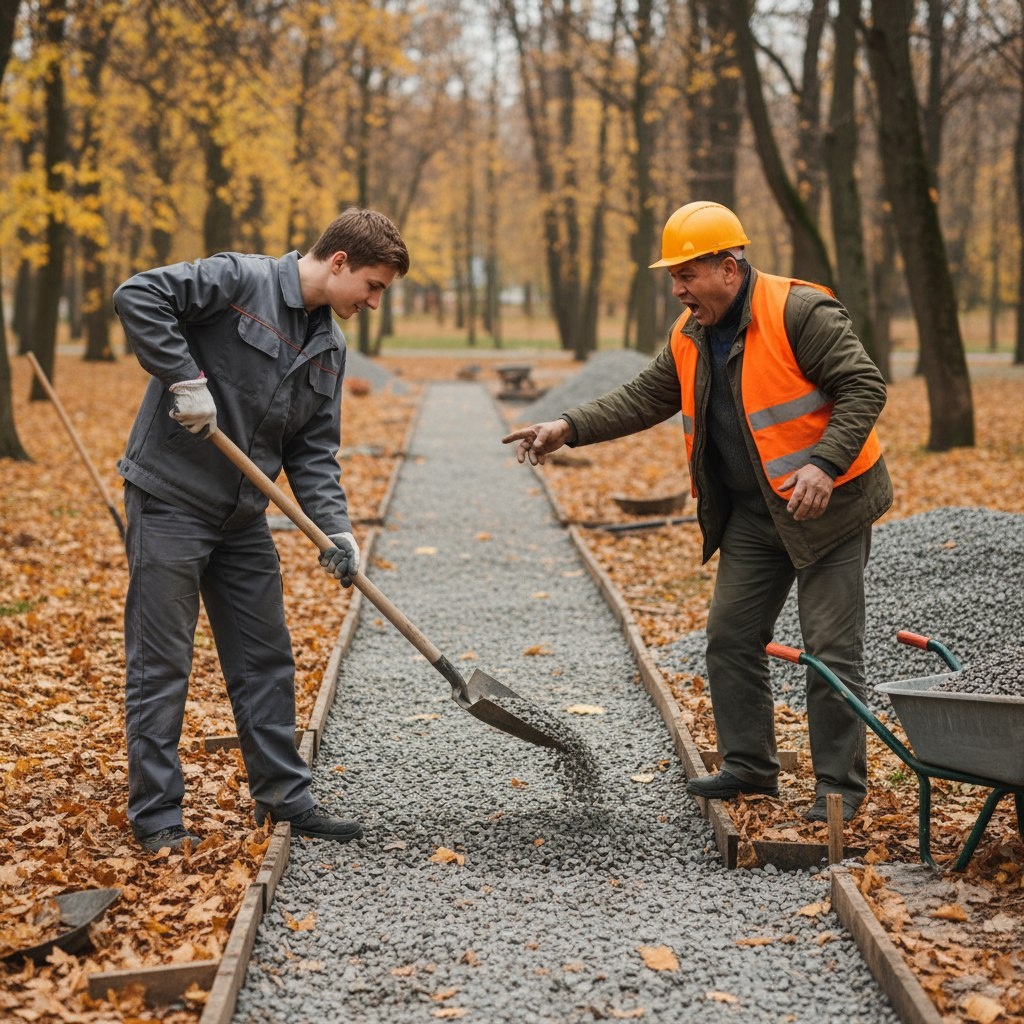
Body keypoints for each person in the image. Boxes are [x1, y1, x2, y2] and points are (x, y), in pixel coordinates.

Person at [503, 201, 892, 823]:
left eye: (688, 275)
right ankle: (751, 767)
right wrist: (568, 426)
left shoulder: (800, 312)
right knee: (731, 637)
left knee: (830, 651)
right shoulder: (691, 334)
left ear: (730, 268)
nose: (678, 290)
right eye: (673, 278)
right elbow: (647, 395)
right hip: (754, 514)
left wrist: (823, 463)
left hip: (830, 507)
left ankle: (838, 789)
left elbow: (864, 385)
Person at [114, 207, 410, 852]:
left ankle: (283, 798)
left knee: (264, 657)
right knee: (162, 662)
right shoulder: (236, 280)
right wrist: (183, 377)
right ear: (339, 263)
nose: (374, 301)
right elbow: (137, 294)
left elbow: (312, 452)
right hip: (171, 499)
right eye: (374, 286)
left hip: (244, 517)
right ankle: (158, 817)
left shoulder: (328, 347)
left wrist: (337, 531)